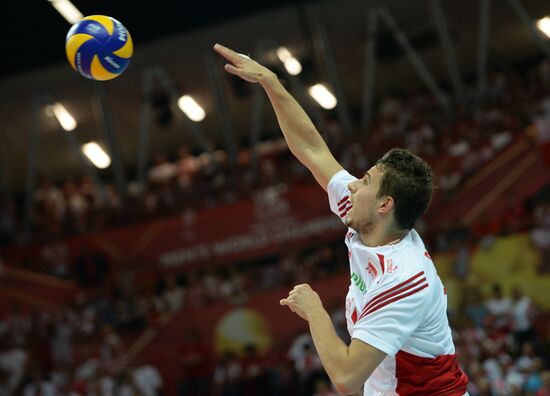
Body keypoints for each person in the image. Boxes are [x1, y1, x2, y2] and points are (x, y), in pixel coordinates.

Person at [214, 43, 469, 395]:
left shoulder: (403, 278)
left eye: (364, 181)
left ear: (385, 205)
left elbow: (347, 378)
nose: (351, 185)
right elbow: (311, 149)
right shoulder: (366, 214)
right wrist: (272, 84)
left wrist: (315, 311)